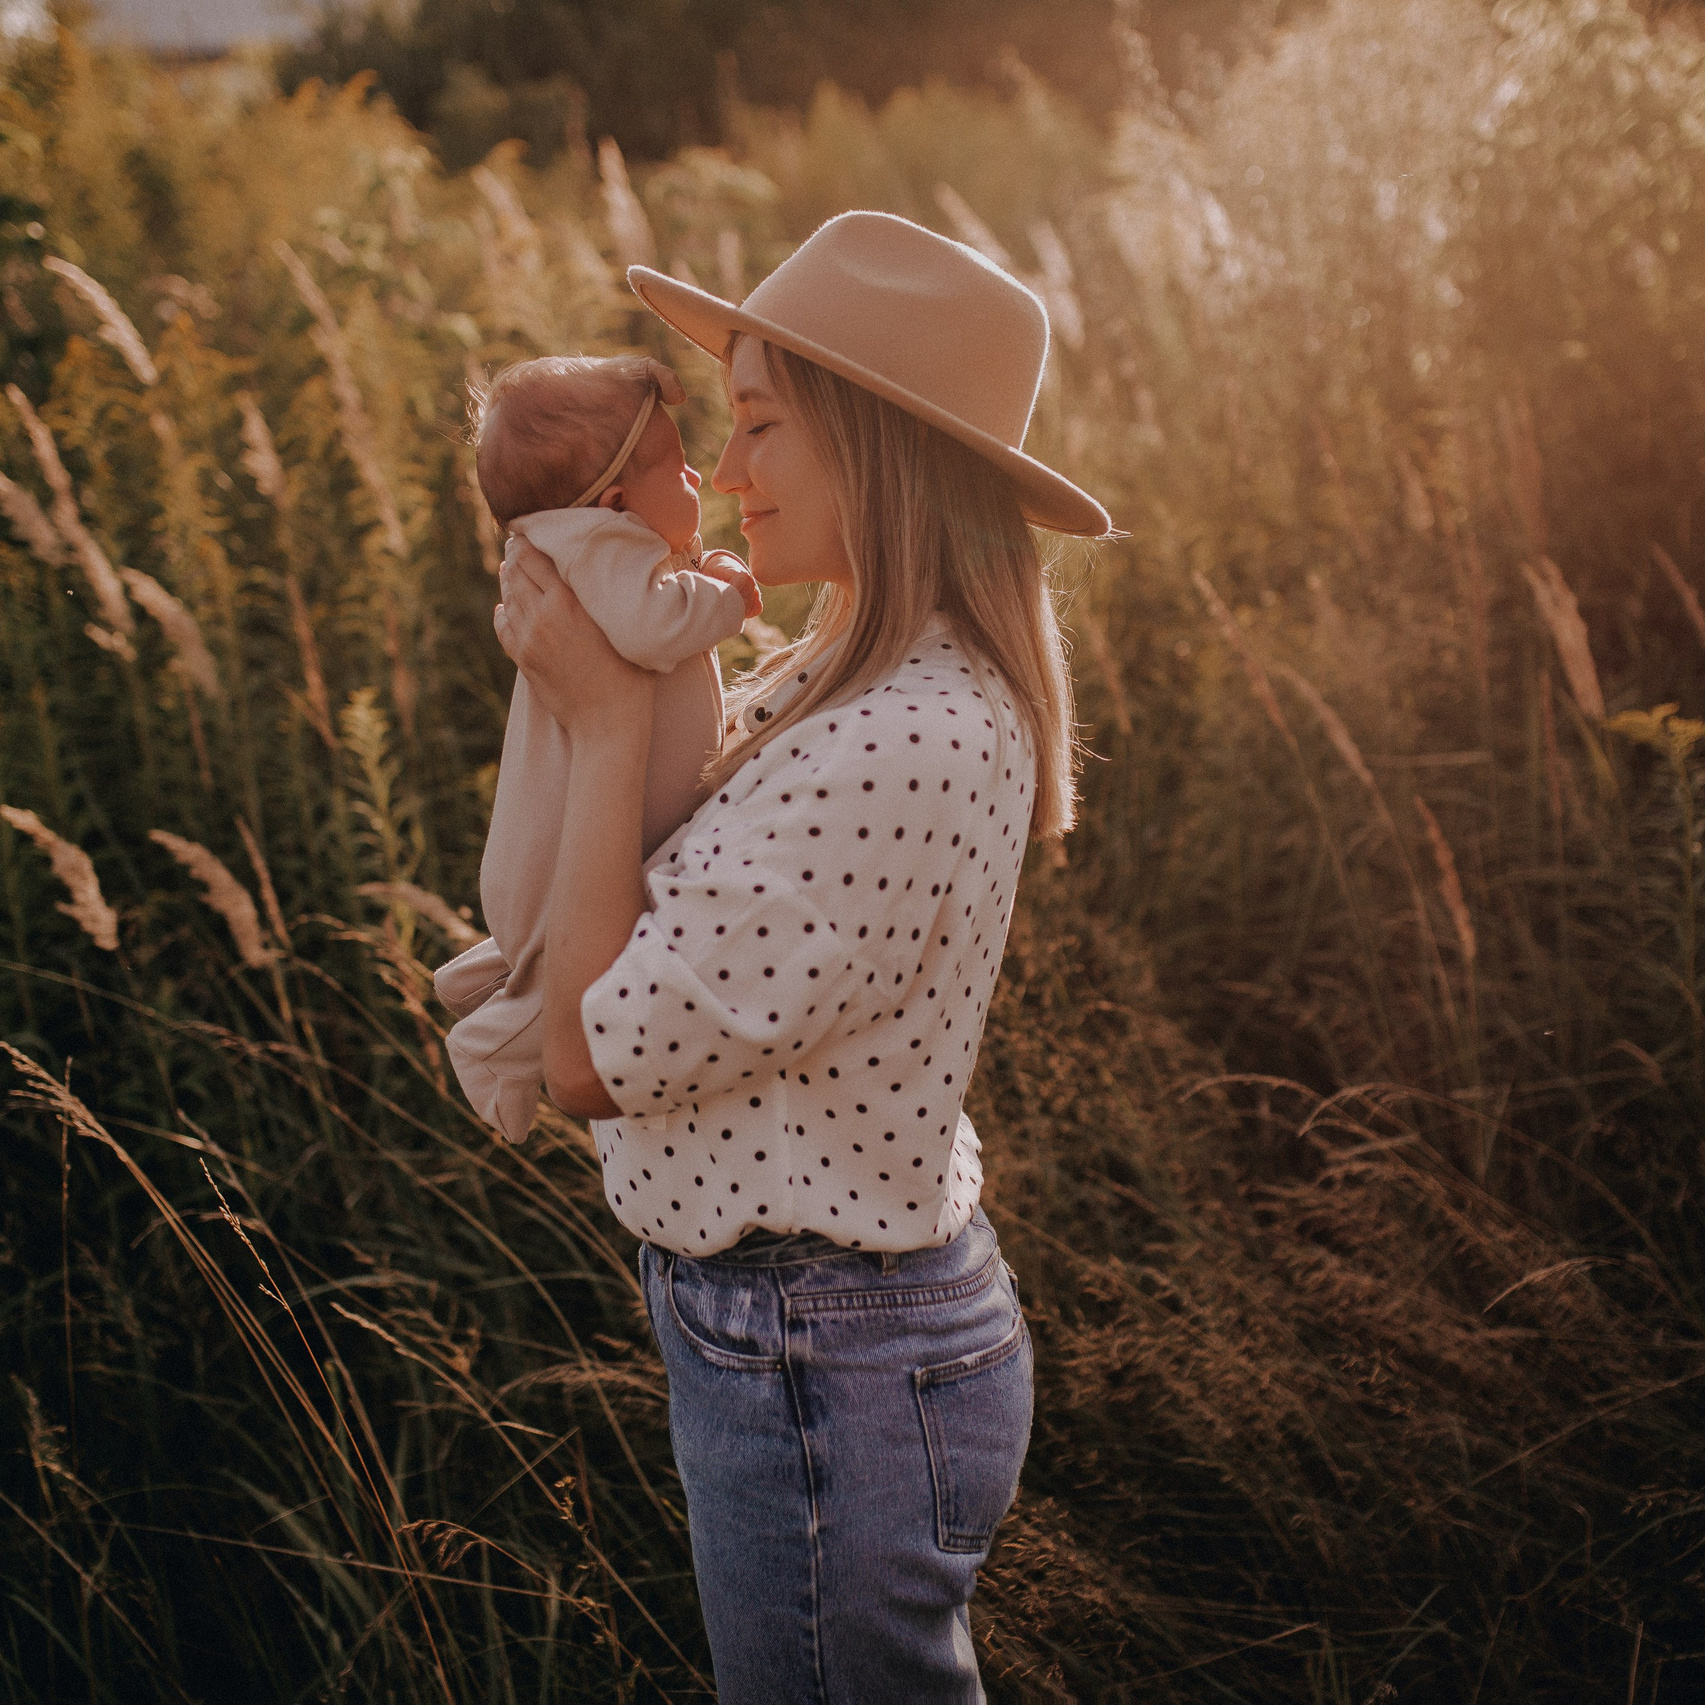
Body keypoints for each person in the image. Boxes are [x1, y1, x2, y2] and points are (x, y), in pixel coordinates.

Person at [491, 210, 1110, 1701]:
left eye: (761, 423)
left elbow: (583, 1061)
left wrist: (603, 711)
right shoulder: (840, 672)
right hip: (809, 1339)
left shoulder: (897, 741)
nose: (723, 473)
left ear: (880, 444)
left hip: (819, 1361)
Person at [436, 354, 762, 1142]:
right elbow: (651, 629)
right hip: (569, 844)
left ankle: (485, 978)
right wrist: (726, 592)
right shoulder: (601, 547)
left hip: (549, 844)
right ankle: (488, 1045)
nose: (700, 479)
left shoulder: (572, 547)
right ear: (616, 500)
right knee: (560, 986)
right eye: (679, 466)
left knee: (543, 947)